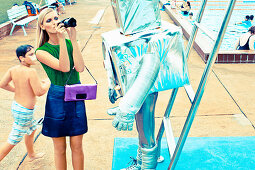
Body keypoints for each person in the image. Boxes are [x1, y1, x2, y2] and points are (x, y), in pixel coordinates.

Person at [35, 8, 87, 170]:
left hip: (76, 93)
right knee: (60, 149)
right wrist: (63, 40)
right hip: (57, 97)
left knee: (77, 145)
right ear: (42, 26)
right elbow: (64, 67)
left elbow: (79, 68)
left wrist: (73, 40)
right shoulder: (41, 51)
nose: (55, 22)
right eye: (49, 21)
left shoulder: (71, 43)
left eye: (56, 18)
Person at [0, 45, 50, 162]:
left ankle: (31, 154)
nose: (35, 57)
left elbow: (2, 84)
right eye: (31, 55)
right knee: (13, 140)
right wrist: (49, 82)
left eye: (34, 54)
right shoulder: (31, 71)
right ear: (22, 58)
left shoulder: (13, 70)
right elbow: (39, 91)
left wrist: (17, 90)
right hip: (24, 112)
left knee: (32, 129)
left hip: (17, 107)